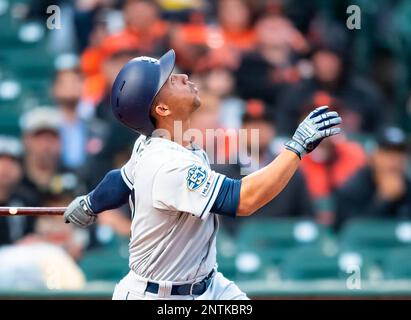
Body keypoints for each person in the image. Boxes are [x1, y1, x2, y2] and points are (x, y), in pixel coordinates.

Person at [63, 49, 341, 300]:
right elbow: (244, 199)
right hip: (159, 295)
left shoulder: (155, 141)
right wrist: (296, 148)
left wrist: (90, 203)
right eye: (171, 80)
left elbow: (121, 179)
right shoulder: (167, 164)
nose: (183, 76)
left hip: (209, 286)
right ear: (162, 109)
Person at [335, 126, 411, 228]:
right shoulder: (353, 188)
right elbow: (350, 232)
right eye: (387, 151)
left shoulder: (407, 186)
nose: (395, 159)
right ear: (373, 155)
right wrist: (384, 200)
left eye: (400, 152)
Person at [0, 136, 36, 245]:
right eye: (1, 160)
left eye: (12, 162)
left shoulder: (26, 200)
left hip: (17, 257)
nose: (6, 167)